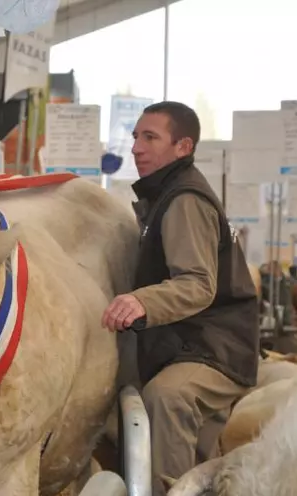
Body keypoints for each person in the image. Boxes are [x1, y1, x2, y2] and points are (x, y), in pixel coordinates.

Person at [100, 101, 259, 495]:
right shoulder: (163, 197)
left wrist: (142, 302)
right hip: (189, 343)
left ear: (183, 147)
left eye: (150, 137)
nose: (136, 147)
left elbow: (197, 284)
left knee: (166, 397)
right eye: (136, 136)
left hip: (215, 348)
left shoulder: (185, 199)